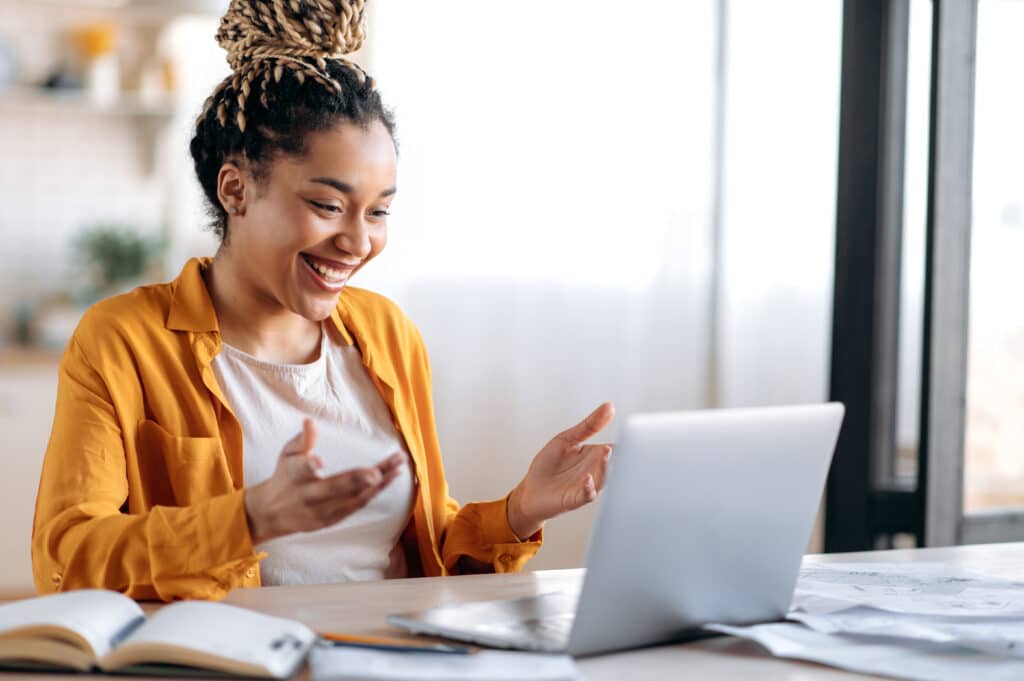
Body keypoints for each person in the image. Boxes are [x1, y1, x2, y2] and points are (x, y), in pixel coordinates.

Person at [31, 0, 613, 602]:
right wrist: (250, 518)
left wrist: (519, 511)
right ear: (236, 189)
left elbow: (424, 548)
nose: (359, 242)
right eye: (328, 206)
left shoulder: (387, 334)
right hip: (233, 660)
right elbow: (69, 557)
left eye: (379, 211)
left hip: (391, 655)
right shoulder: (125, 340)